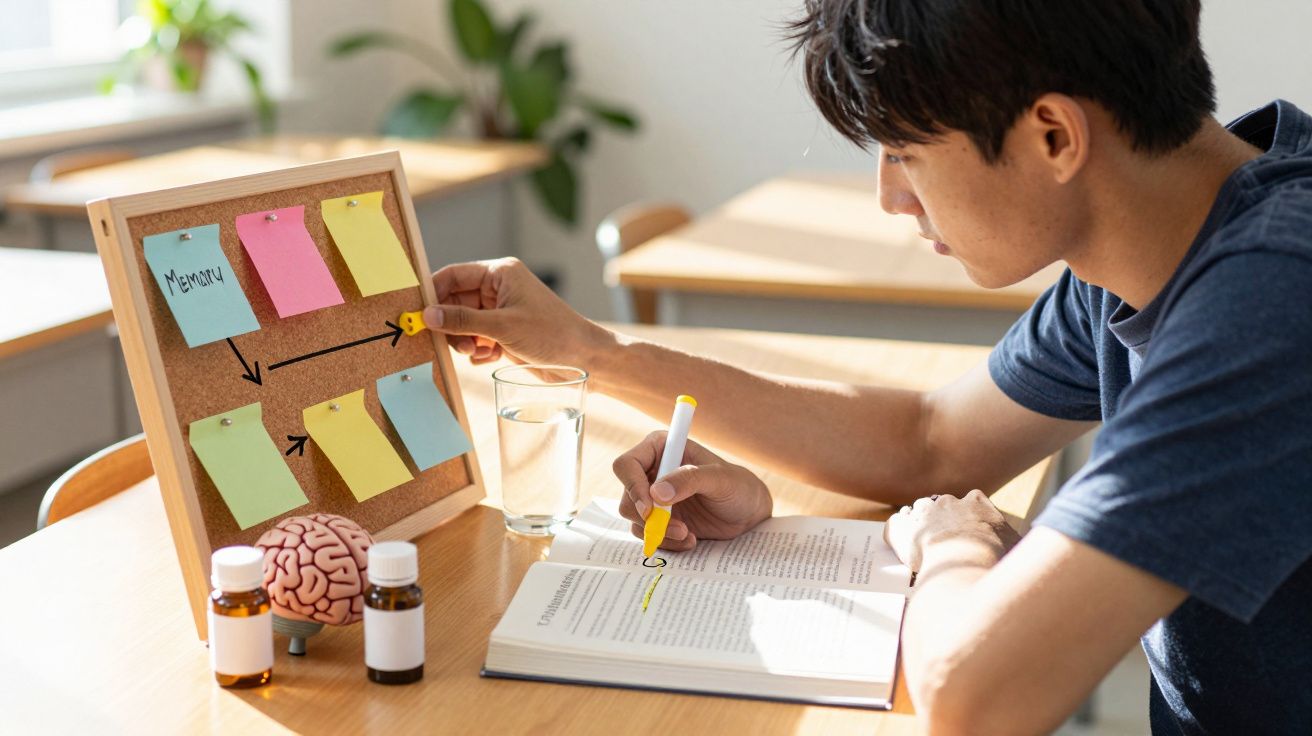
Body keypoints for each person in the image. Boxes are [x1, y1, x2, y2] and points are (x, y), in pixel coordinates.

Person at [418, 1, 1311, 733]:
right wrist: (595, 352)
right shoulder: (1167, 238)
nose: (889, 195)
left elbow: (974, 698)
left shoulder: (1273, 298)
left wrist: (954, 545)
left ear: (1052, 136)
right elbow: (930, 442)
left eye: (906, 152)